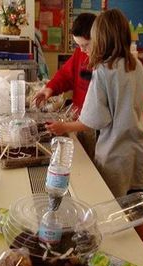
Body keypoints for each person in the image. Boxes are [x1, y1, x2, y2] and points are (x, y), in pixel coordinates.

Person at [45, 9, 143, 245]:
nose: (84, 49)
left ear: (101, 39)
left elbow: (92, 121)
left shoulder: (103, 71)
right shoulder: (137, 66)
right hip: (140, 149)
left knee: (112, 213)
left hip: (115, 152)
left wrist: (63, 127)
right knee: (139, 210)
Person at [34, 12, 97, 159]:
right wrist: (49, 89)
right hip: (79, 120)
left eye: (85, 45)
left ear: (99, 37)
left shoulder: (105, 65)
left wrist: (66, 127)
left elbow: (98, 115)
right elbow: (66, 75)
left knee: (91, 163)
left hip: (93, 126)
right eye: (78, 45)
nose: (82, 50)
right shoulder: (81, 53)